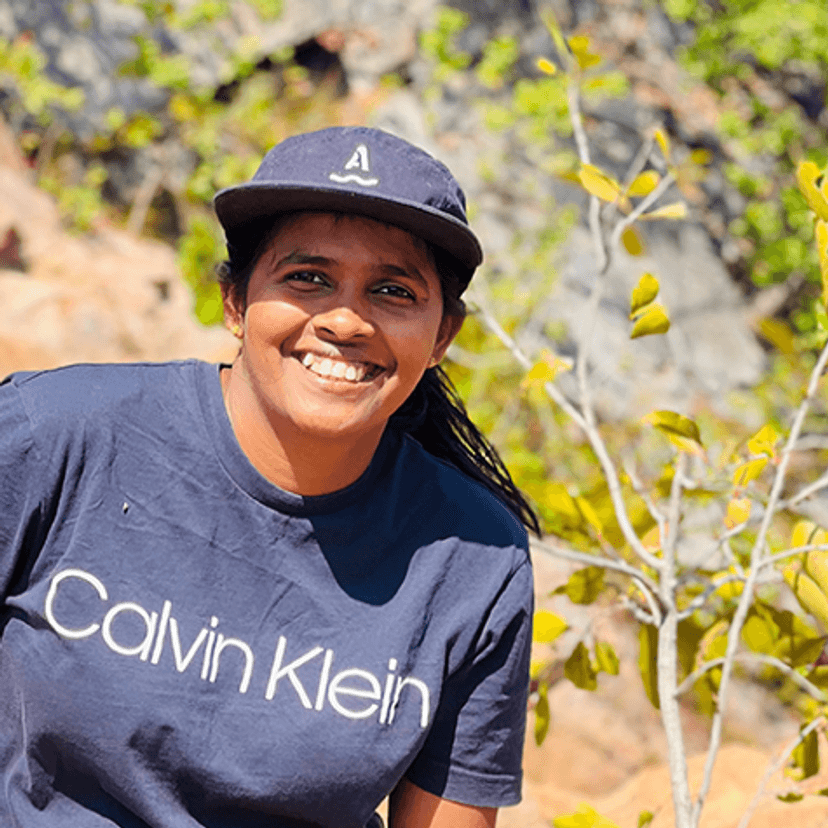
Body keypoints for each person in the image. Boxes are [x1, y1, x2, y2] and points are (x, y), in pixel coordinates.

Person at [0, 126, 539, 828]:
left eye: (392, 290)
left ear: (442, 337)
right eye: (308, 278)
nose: (346, 320)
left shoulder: (475, 558)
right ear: (235, 301)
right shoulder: (55, 434)